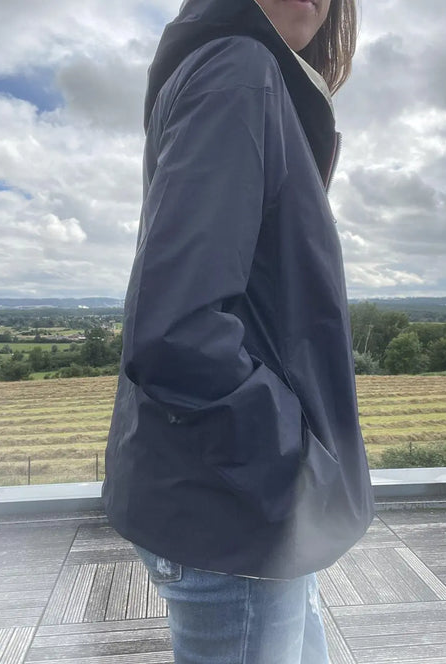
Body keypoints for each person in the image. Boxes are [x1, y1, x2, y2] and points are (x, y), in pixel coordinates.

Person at [101, 0, 375, 661]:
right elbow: (176, 331)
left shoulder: (240, 74)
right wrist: (293, 464)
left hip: (244, 503)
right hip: (239, 511)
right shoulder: (238, 68)